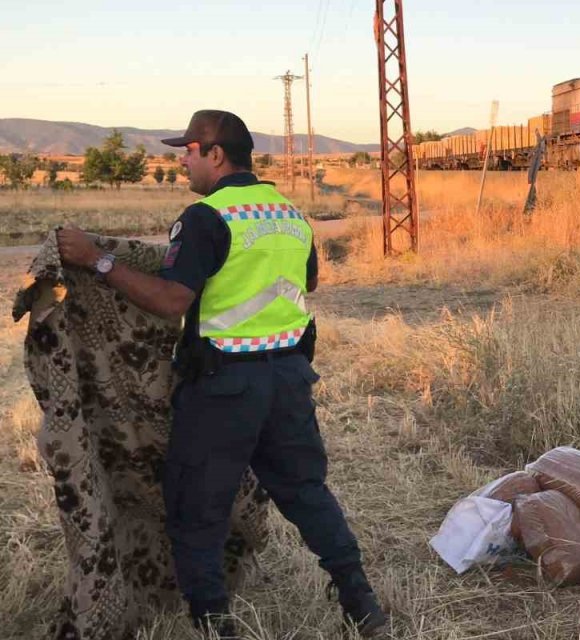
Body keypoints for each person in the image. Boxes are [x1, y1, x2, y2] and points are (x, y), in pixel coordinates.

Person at [56, 110, 388, 639]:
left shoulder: (206, 217)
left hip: (224, 388)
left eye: (188, 150)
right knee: (307, 493)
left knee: (196, 511)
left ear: (215, 154)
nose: (183, 161)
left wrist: (99, 261)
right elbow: (307, 285)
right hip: (289, 381)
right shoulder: (290, 215)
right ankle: (361, 601)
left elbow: (171, 301)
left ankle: (214, 626)